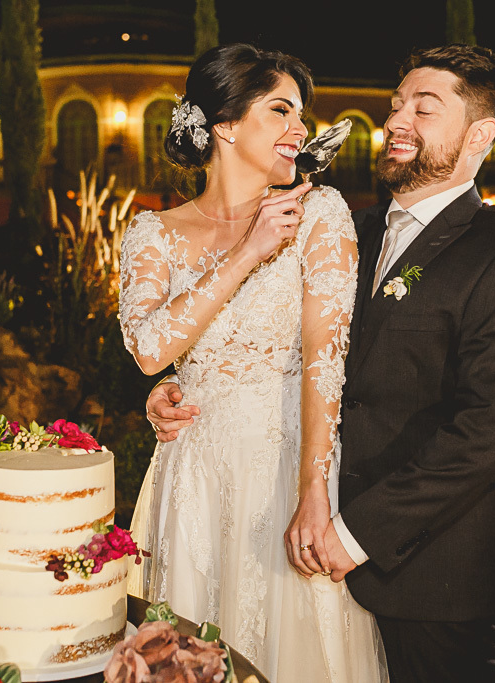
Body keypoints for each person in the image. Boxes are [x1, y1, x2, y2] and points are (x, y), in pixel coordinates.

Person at [147, 44, 495, 682]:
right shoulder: (336, 227)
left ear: (480, 135)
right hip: (305, 546)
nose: (397, 121)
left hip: (436, 573)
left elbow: (490, 431)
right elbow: (275, 344)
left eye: (425, 109)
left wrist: (357, 531)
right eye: (397, 105)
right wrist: (180, 386)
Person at [118, 43, 387, 682]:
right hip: (194, 479)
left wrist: (314, 491)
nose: (301, 131)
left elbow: (328, 360)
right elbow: (151, 350)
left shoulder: (320, 213)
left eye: (301, 115)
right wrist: (249, 249)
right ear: (226, 125)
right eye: (280, 111)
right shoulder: (151, 233)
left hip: (292, 466)